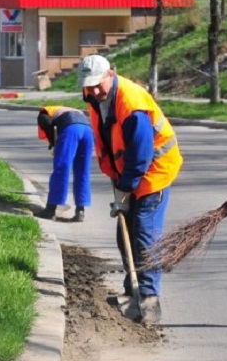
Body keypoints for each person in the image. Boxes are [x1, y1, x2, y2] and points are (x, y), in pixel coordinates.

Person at [78, 54, 183, 325]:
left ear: (111, 75)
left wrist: (125, 188)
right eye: (89, 86)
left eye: (98, 85)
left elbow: (140, 153)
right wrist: (119, 182)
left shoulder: (132, 104)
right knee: (125, 232)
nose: (94, 91)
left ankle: (149, 299)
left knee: (144, 232)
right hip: (127, 175)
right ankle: (131, 290)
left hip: (153, 172)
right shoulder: (95, 97)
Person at [33, 106, 94, 222]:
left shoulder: (43, 112)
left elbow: (47, 126)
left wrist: (54, 145)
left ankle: (50, 210)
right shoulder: (65, 109)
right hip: (88, 130)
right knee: (83, 170)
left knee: (62, 167)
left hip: (70, 128)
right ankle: (80, 210)